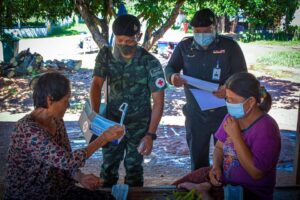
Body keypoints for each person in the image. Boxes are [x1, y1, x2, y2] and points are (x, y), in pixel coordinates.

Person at [4, 72, 124, 200]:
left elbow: (65, 159)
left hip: (58, 191)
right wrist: (103, 138)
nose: (68, 105)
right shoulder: (28, 131)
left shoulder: (56, 120)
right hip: (30, 195)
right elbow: (67, 160)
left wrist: (80, 177)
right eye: (66, 100)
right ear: (50, 100)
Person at [173, 72, 281, 200]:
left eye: (233, 100)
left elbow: (256, 173)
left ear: (251, 101)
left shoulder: (266, 128)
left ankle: (204, 192)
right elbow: (219, 147)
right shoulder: (232, 117)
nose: (228, 103)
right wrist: (216, 166)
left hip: (251, 192)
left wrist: (236, 136)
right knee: (179, 187)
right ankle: (205, 188)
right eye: (227, 99)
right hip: (226, 183)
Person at [165, 8, 247, 170]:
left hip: (225, 115)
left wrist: (228, 88)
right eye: (197, 31)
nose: (202, 35)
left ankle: (223, 191)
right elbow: (170, 67)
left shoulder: (230, 46)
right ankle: (200, 190)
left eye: (207, 31)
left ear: (215, 28)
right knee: (198, 161)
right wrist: (173, 77)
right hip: (195, 114)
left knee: (227, 159)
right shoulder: (184, 46)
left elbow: (242, 76)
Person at [90, 14, 167, 187]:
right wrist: (96, 117)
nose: (124, 44)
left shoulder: (150, 62)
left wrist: (150, 135)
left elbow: (159, 102)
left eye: (129, 41)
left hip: (139, 125)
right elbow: (96, 84)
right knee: (108, 168)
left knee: (134, 169)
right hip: (111, 121)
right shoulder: (106, 55)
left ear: (138, 37)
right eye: (120, 40)